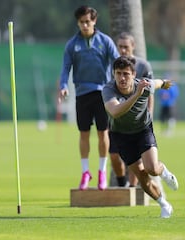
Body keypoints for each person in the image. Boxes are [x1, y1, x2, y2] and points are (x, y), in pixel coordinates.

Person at [102, 56, 179, 218]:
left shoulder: (144, 85)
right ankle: (164, 205)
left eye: (126, 74)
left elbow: (156, 83)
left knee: (152, 168)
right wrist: (136, 95)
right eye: (118, 74)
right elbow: (115, 112)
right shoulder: (108, 90)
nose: (122, 78)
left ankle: (163, 170)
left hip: (143, 130)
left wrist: (164, 83)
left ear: (133, 74)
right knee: (142, 176)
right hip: (121, 136)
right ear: (113, 74)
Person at [58, 6, 119, 190]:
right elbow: (65, 67)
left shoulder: (105, 41)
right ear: (78, 23)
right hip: (82, 94)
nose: (85, 25)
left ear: (94, 21)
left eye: (88, 21)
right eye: (81, 22)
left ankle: (101, 172)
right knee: (84, 133)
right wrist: (63, 86)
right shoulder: (72, 44)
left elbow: (117, 61)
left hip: (103, 94)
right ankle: (85, 172)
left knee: (103, 133)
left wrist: (122, 84)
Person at [109, 32, 155, 188]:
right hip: (119, 120)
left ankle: (133, 187)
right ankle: (122, 183)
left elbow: (150, 92)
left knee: (138, 158)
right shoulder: (114, 65)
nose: (122, 50)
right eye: (120, 46)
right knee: (114, 155)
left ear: (133, 46)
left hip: (138, 121)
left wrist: (150, 113)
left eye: (125, 47)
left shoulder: (143, 66)